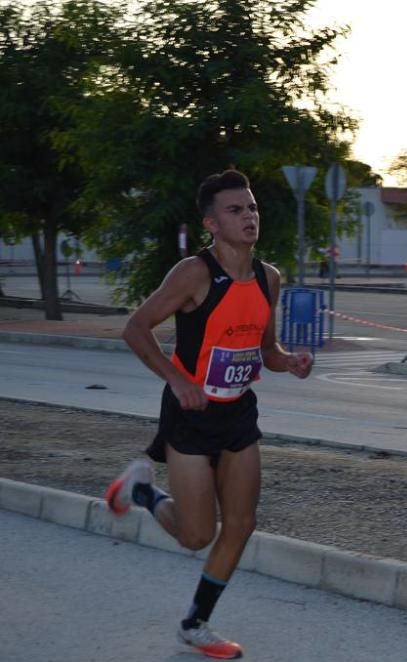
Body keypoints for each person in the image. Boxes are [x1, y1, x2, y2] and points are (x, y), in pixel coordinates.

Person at [107, 169, 314, 659]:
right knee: (197, 535)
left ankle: (196, 623)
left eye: (252, 208)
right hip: (190, 415)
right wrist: (178, 380)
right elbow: (136, 329)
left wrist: (289, 362)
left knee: (241, 523)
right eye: (235, 210)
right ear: (212, 224)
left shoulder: (269, 278)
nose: (248, 217)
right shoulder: (194, 274)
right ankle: (139, 489)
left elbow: (265, 350)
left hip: (238, 412)